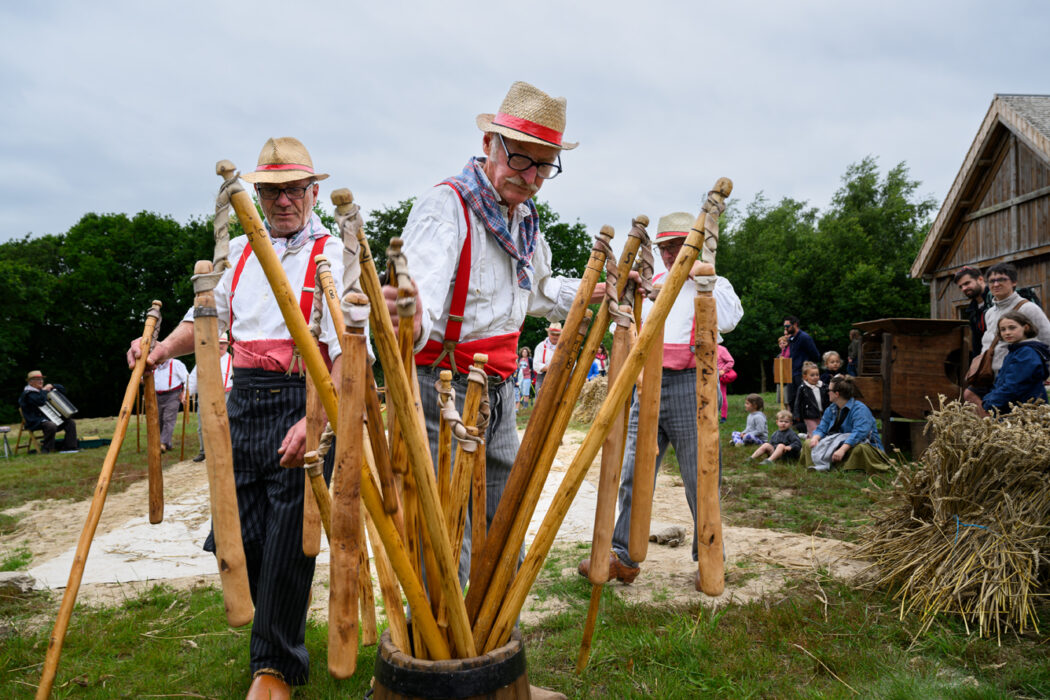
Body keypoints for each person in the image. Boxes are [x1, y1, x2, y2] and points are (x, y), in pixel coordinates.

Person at [127, 137, 345, 698]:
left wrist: (316, 423)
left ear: (312, 191)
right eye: (272, 191)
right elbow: (203, 320)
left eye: (294, 189)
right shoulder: (243, 254)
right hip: (243, 406)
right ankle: (271, 647)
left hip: (304, 402)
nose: (283, 201)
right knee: (239, 541)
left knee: (287, 548)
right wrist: (157, 352)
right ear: (260, 195)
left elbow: (349, 353)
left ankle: (275, 668)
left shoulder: (332, 254)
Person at [388, 81, 609, 591]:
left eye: (544, 166)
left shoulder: (525, 220)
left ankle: (491, 638)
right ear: (490, 145)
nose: (530, 177)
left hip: (502, 389)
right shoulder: (448, 208)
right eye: (520, 160)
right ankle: (445, 650)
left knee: (501, 517)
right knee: (447, 527)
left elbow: (537, 291)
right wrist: (408, 310)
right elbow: (418, 299)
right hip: (444, 385)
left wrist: (600, 286)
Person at [576, 211, 743, 588]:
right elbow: (639, 328)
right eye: (665, 247)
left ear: (693, 246)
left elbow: (730, 319)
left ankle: (709, 558)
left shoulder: (711, 281)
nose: (670, 255)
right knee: (635, 471)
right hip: (649, 384)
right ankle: (625, 556)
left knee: (699, 474)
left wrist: (705, 280)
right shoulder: (658, 283)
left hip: (691, 385)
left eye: (676, 247)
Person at [963, 262, 1050, 408]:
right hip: (992, 376)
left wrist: (1046, 373)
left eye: (1001, 279)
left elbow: (1047, 339)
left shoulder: (1028, 308)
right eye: (992, 281)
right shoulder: (989, 313)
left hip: (1017, 376)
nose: (996, 284)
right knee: (972, 397)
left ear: (1014, 282)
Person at [802, 375, 890, 473]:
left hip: (862, 446)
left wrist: (842, 449)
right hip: (836, 443)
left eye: (829, 390)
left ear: (836, 394)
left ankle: (845, 470)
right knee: (808, 443)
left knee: (859, 449)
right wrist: (815, 438)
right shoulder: (831, 409)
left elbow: (859, 434)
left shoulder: (860, 409)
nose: (827, 392)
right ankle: (816, 468)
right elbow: (822, 427)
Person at [980, 311, 1050, 416]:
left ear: (1026, 327)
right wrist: (989, 398)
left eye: (1012, 328)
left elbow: (1013, 385)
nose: (1007, 332)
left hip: (1026, 411)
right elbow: (1001, 382)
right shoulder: (1015, 351)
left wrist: (990, 403)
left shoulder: (1026, 353)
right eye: (1003, 329)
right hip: (1013, 410)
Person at [187, 334, 234, 462]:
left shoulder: (233, 360)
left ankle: (226, 450)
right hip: (205, 395)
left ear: (227, 345)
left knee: (225, 424)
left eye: (223, 343)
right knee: (203, 424)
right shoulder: (204, 360)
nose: (221, 345)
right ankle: (204, 451)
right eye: (218, 343)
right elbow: (193, 378)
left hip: (227, 395)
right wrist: (187, 393)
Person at [18, 370, 78, 453]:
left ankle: (70, 448)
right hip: (35, 421)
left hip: (49, 418)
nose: (41, 381)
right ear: (31, 383)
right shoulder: (27, 394)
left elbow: (63, 390)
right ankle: (47, 449)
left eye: (42, 379)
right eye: (38, 379)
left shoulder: (40, 391)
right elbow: (40, 401)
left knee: (70, 422)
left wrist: (52, 385)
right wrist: (45, 391)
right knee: (51, 425)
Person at [778, 315, 820, 408]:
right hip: (791, 373)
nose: (786, 328)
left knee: (803, 400)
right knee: (791, 400)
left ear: (795, 324)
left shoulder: (804, 338)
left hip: (801, 374)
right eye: (784, 326)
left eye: (788, 326)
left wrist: (807, 368)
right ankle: (794, 420)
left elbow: (815, 356)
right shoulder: (791, 339)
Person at [954, 265, 992, 360]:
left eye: (967, 283)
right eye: (961, 287)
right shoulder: (972, 310)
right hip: (986, 361)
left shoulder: (996, 299)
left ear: (980, 279)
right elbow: (977, 343)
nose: (964, 289)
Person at [151, 357, 188, 453]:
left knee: (168, 418)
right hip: (157, 396)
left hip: (173, 395)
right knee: (158, 419)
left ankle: (162, 443)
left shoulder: (176, 364)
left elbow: (187, 379)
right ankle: (167, 443)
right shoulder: (153, 366)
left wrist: (184, 393)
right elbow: (144, 379)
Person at [793, 361, 828, 435]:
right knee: (813, 431)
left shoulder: (823, 386)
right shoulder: (803, 388)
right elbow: (797, 402)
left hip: (821, 413)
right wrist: (797, 415)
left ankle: (808, 439)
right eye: (812, 375)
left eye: (817, 375)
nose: (815, 377)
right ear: (805, 377)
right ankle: (812, 443)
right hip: (809, 415)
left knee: (821, 430)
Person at [532, 322, 562, 393]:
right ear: (548, 334)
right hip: (543, 377)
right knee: (541, 402)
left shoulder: (565, 347)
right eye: (552, 334)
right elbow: (536, 364)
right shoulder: (541, 346)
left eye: (557, 335)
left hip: (560, 378)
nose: (555, 336)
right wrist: (551, 369)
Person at [716, 344, 736, 423]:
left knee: (722, 396)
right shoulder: (703, 348)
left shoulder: (721, 349)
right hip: (706, 376)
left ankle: (723, 417)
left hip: (719, 377)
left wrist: (723, 370)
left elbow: (731, 361)